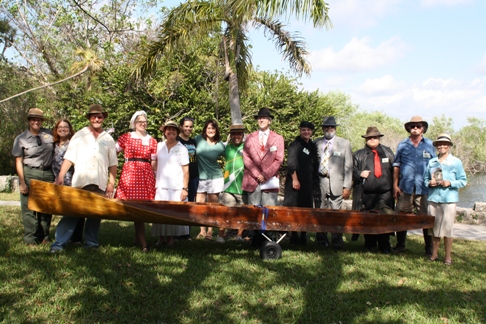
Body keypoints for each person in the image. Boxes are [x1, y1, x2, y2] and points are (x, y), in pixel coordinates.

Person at [49, 104, 117, 252]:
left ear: (103, 118)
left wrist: (111, 183)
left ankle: (91, 243)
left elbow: (113, 164)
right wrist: (60, 176)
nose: (97, 119)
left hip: (99, 182)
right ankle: (58, 244)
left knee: (95, 214)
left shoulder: (108, 139)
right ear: (89, 118)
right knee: (72, 213)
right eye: (94, 116)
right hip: (81, 181)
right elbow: (69, 158)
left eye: (99, 116)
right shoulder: (79, 135)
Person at [393, 116, 435, 255]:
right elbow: (396, 165)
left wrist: (434, 181)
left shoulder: (429, 144)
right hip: (405, 187)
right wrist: (395, 184)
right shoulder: (403, 144)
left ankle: (429, 249)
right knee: (401, 216)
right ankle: (400, 245)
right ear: (409, 129)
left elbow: (435, 166)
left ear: (423, 128)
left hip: (424, 188)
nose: (415, 128)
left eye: (418, 126)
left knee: (425, 218)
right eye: (413, 126)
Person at [115, 111, 157, 252]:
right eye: (140, 121)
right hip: (130, 173)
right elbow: (113, 151)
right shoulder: (126, 137)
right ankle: (142, 242)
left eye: (145, 121)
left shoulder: (152, 140)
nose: (143, 124)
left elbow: (154, 161)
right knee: (133, 206)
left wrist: (154, 177)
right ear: (134, 123)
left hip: (145, 174)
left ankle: (140, 239)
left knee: (141, 207)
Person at [12, 108, 55, 245]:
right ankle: (30, 238)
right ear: (29, 121)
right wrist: (22, 182)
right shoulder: (21, 139)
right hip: (30, 172)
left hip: (48, 173)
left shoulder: (50, 134)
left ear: (42, 121)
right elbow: (18, 161)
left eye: (38, 119)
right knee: (29, 207)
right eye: (33, 119)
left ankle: (44, 236)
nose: (36, 121)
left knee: (46, 207)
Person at [351, 126, 395, 254]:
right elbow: (349, 171)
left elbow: (396, 170)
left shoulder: (388, 152)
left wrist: (397, 187)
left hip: (385, 192)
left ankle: (384, 245)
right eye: (369, 138)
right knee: (368, 219)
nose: (372, 140)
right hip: (366, 193)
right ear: (366, 139)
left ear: (379, 139)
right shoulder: (358, 154)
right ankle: (369, 244)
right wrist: (359, 173)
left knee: (384, 218)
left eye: (375, 137)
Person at [424, 134, 467, 265]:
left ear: (449, 146)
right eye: (439, 144)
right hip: (433, 199)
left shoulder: (456, 162)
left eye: (445, 144)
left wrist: (450, 183)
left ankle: (448, 257)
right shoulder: (431, 162)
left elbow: (463, 181)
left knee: (448, 228)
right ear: (436, 146)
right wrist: (429, 183)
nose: (442, 146)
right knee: (434, 229)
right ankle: (434, 254)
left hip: (449, 199)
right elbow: (425, 179)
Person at [314, 116, 353, 250]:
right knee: (321, 211)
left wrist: (347, 186)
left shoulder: (344, 144)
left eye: (331, 127)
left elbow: (348, 166)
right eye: (326, 127)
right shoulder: (316, 143)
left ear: (335, 129)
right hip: (320, 181)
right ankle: (322, 240)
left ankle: (336, 241)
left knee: (336, 214)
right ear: (323, 129)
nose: (329, 129)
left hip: (337, 182)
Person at [152, 121, 189, 246]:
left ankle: (171, 239)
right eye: (168, 130)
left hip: (176, 187)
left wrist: (185, 188)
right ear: (164, 132)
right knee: (160, 212)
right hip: (161, 185)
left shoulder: (182, 148)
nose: (171, 132)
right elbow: (154, 164)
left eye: (174, 130)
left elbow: (186, 171)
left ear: (178, 132)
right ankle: (161, 238)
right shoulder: (158, 146)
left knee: (172, 213)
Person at [283, 121, 320, 245]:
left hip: (308, 183)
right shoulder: (295, 145)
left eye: (309, 130)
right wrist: (295, 179)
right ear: (300, 131)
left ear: (312, 132)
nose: (306, 132)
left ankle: (303, 234)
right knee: (294, 209)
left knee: (306, 209)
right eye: (304, 130)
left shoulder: (312, 146)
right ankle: (294, 235)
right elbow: (291, 164)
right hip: (295, 182)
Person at [51, 119, 84, 245]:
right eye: (60, 127)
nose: (62, 129)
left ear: (70, 130)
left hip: (72, 180)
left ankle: (76, 238)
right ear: (56, 129)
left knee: (76, 209)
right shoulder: (53, 144)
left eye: (65, 127)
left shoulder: (73, 144)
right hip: (57, 180)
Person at [242, 107, 284, 207]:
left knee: (269, 212)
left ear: (270, 121)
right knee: (253, 213)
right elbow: (246, 157)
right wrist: (257, 174)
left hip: (270, 180)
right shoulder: (249, 137)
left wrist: (265, 175)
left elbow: (279, 159)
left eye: (264, 118)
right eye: (259, 118)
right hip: (252, 179)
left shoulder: (278, 138)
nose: (261, 120)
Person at [194, 119, 225, 240]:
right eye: (208, 128)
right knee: (200, 205)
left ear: (216, 130)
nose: (211, 131)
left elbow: (231, 157)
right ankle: (202, 230)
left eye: (213, 128)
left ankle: (210, 231)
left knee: (212, 206)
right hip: (200, 177)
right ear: (205, 130)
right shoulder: (198, 139)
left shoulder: (220, 146)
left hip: (215, 178)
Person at [216, 124, 246, 243]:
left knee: (243, 213)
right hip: (229, 186)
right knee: (225, 213)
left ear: (243, 135)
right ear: (231, 135)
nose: (236, 136)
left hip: (243, 186)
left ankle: (239, 236)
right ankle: (220, 236)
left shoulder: (248, 147)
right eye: (234, 134)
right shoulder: (226, 147)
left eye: (239, 134)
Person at [177, 116, 199, 202]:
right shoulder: (177, 141)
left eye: (190, 126)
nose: (188, 129)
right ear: (181, 126)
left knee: (191, 201)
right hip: (182, 177)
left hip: (194, 176)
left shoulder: (193, 141)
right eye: (186, 126)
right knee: (181, 200)